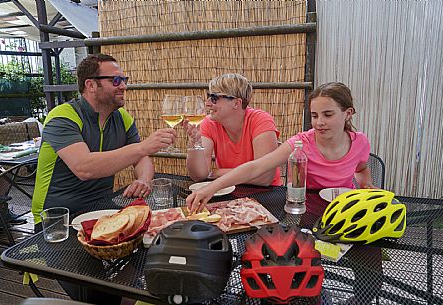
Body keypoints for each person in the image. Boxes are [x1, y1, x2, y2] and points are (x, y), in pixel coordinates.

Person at [186, 82, 380, 305]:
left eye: (328, 114)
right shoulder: (302, 142)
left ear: (348, 113)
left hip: (344, 214)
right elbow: (256, 167)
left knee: (371, 266)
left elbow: (362, 168)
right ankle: (306, 295)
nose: (319, 122)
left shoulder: (360, 142)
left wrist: (367, 187)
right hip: (307, 214)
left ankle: (358, 300)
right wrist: (211, 187)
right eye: (315, 115)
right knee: (291, 259)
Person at [31, 53, 176, 305]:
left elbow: (141, 160)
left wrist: (144, 179)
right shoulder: (63, 117)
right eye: (116, 80)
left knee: (156, 244)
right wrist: (143, 148)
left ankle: (122, 295)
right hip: (58, 222)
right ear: (91, 84)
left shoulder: (122, 118)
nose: (124, 85)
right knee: (95, 292)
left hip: (103, 212)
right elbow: (84, 167)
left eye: (124, 79)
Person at [183, 73, 281, 186]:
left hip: (266, 194)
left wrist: (220, 173)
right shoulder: (209, 123)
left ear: (236, 103)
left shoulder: (260, 120)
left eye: (214, 98)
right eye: (208, 96)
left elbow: (263, 178)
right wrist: (194, 144)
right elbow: (199, 176)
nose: (207, 103)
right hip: (229, 189)